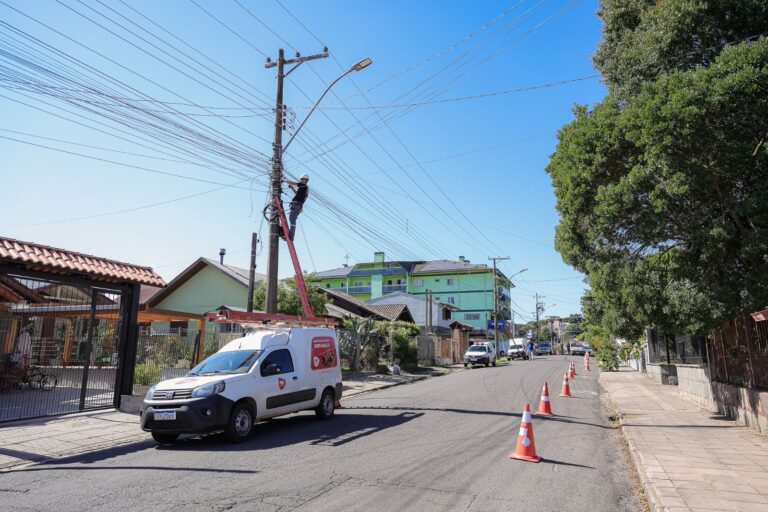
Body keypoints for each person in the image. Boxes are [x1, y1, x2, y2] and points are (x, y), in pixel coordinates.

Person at [284, 173, 309, 241]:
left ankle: (291, 236)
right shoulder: (302, 188)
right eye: (302, 179)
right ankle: (290, 234)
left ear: (306, 180)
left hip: (297, 205)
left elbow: (294, 183)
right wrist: (292, 187)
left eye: (303, 179)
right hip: (296, 205)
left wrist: (285, 180)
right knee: (292, 218)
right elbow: (296, 193)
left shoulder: (304, 186)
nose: (302, 181)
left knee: (292, 219)